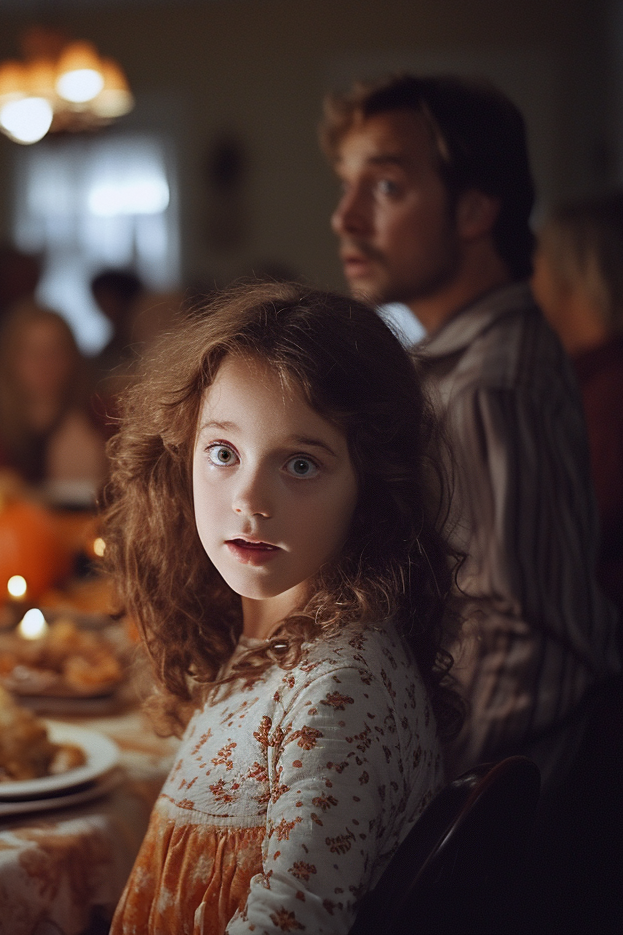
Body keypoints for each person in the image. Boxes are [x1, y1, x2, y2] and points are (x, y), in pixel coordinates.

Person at [105, 282, 462, 935]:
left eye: (300, 464)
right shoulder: (274, 628)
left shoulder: (338, 687)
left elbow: (291, 923)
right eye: (223, 453)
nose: (248, 499)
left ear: (373, 488)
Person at [322, 74, 618, 783]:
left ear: (476, 210)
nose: (346, 218)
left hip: (495, 812)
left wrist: (419, 797)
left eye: (386, 187)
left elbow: (526, 641)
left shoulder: (489, 383)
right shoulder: (463, 355)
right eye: (347, 183)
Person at [529, 195, 623, 932]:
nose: (532, 279)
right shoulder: (606, 382)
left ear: (577, 273)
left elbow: (558, 553)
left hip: (617, 713)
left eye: (543, 261)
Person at [0, 301, 106, 490]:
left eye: (54, 351)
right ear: (9, 362)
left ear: (73, 357)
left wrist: (101, 466)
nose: (44, 364)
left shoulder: (103, 419)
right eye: (30, 352)